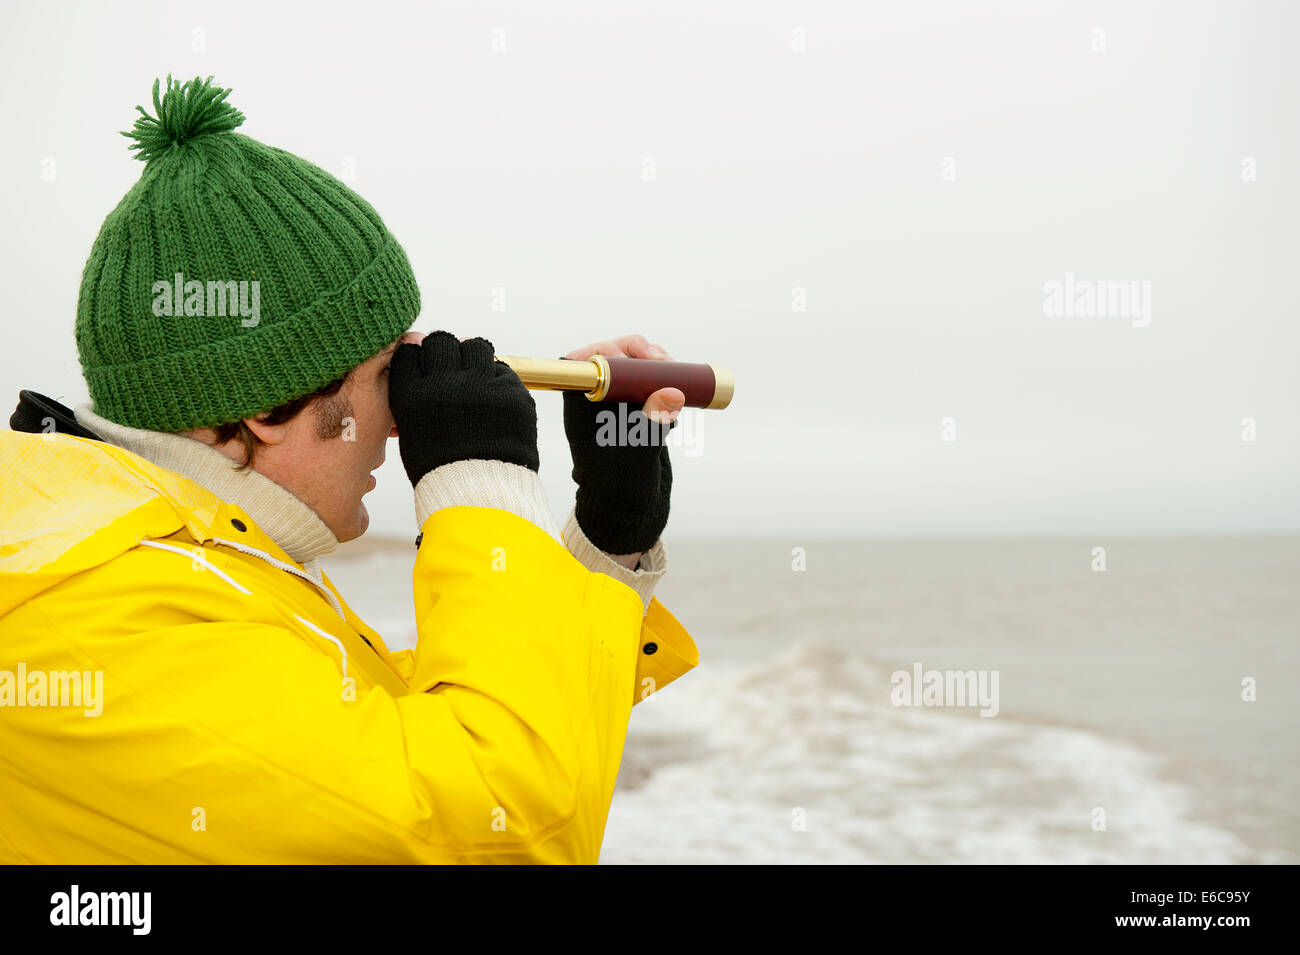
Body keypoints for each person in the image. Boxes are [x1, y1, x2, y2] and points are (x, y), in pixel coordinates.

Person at [0, 76, 698, 863]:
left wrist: (607, 546)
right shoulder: (88, 616)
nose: (404, 420)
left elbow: (405, 736)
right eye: (384, 376)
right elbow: (499, 825)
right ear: (266, 409)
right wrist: (480, 481)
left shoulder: (183, 566)